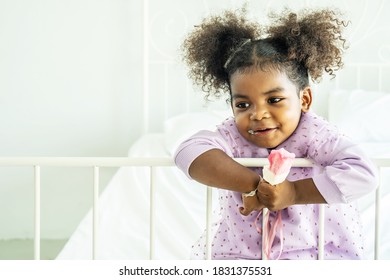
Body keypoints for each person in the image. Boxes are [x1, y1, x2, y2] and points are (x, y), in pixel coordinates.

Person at [174, 7, 377, 260]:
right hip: (242, 257)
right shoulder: (233, 135)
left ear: (304, 99)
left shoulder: (315, 133)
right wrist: (255, 187)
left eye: (274, 99)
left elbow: (363, 173)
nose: (258, 114)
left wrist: (293, 193)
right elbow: (187, 152)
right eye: (243, 105)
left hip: (316, 256)